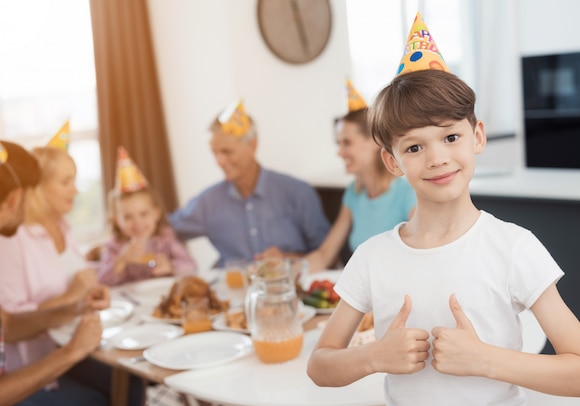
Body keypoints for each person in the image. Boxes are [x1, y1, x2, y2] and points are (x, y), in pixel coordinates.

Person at [307, 12, 580, 406]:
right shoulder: (373, 257)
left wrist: (484, 359)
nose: (437, 158)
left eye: (451, 137)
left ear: (476, 136)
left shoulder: (513, 247)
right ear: (392, 162)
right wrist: (375, 356)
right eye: (414, 148)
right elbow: (320, 365)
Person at [0, 142, 144, 406]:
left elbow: (6, 322)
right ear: (18, 197)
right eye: (66, 181)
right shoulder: (11, 240)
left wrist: (76, 307)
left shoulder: (63, 227)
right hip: (29, 363)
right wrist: (71, 351)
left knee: (127, 383)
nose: (75, 189)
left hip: (56, 345)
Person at [262, 81, 415, 273]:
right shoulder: (354, 194)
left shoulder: (408, 194)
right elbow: (325, 255)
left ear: (375, 141)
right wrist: (284, 270)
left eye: (347, 143)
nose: (340, 153)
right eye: (339, 144)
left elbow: (423, 254)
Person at [169, 100, 330, 267]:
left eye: (227, 152)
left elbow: (327, 254)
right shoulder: (208, 202)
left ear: (252, 146)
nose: (219, 161)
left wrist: (286, 258)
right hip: (233, 289)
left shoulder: (297, 192)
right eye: (214, 153)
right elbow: (164, 229)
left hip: (287, 287)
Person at [98, 146, 197, 285]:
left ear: (156, 214)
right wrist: (121, 261)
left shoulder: (165, 238)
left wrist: (170, 266)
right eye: (127, 217)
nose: (137, 222)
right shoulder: (113, 246)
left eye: (143, 214)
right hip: (131, 302)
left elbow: (191, 265)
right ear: (116, 220)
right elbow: (102, 281)